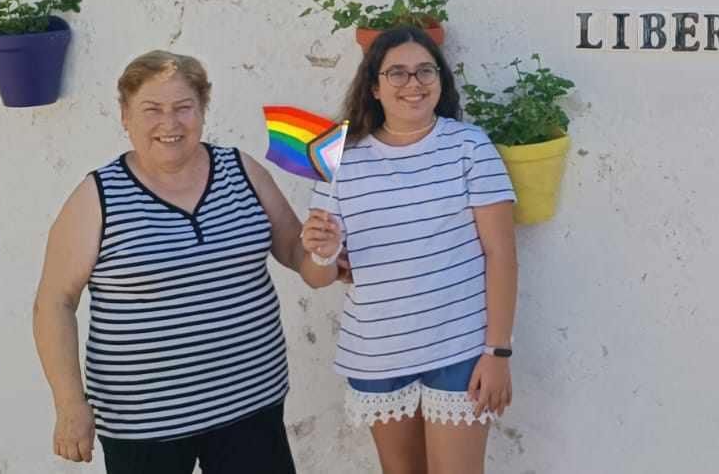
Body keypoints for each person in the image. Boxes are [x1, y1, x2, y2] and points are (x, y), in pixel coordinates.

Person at [32, 50, 303, 473]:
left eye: (183, 107)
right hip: (143, 423)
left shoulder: (242, 171)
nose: (169, 123)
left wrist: (326, 245)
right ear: (125, 115)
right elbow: (54, 302)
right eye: (152, 109)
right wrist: (69, 403)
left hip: (251, 405)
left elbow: (297, 251)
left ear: (203, 110)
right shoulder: (97, 197)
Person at [298, 25, 517, 474]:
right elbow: (317, 277)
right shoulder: (341, 159)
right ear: (374, 87)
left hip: (459, 349)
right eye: (396, 73)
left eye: (424, 71)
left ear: (440, 80)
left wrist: (497, 352)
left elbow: (501, 255)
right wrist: (322, 252)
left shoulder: (469, 146)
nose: (412, 83)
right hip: (377, 354)